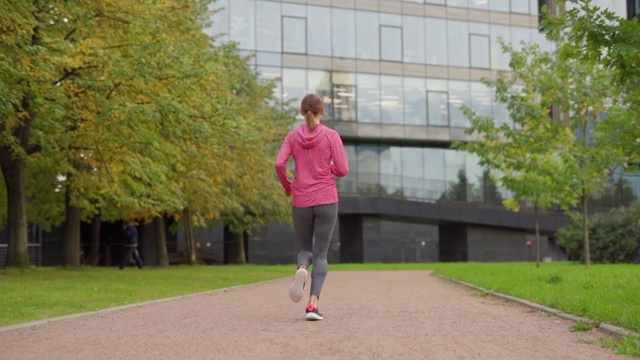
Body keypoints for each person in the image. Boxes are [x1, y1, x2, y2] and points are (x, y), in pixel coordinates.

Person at [275, 93, 349, 321]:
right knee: (321, 254)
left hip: (301, 200)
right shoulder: (331, 135)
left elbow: (279, 163)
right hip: (326, 199)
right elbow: (343, 169)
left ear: (301, 111)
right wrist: (330, 170)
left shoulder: (292, 136)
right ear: (321, 111)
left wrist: (289, 186)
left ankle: (301, 269)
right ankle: (312, 306)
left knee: (305, 249)